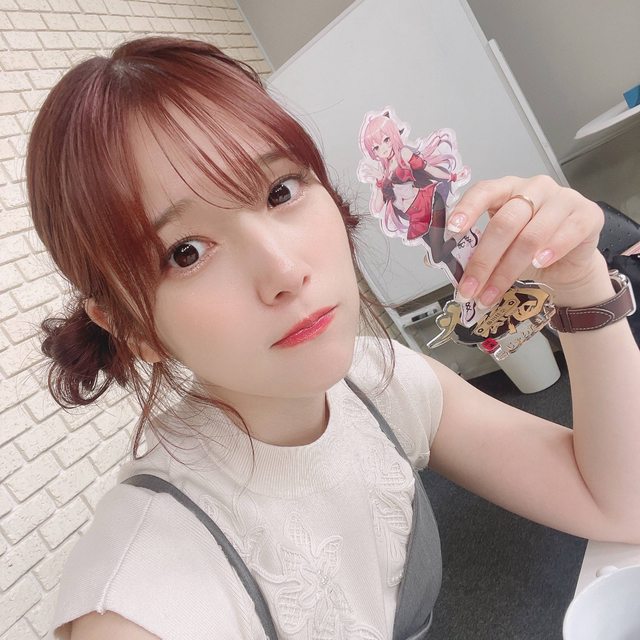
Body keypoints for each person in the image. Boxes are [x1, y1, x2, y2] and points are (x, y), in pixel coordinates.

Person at [25, 37, 640, 640]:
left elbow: (619, 502)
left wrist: (580, 281)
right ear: (133, 328)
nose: (285, 271)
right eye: (185, 252)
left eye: (280, 192)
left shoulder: (378, 380)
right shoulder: (144, 600)